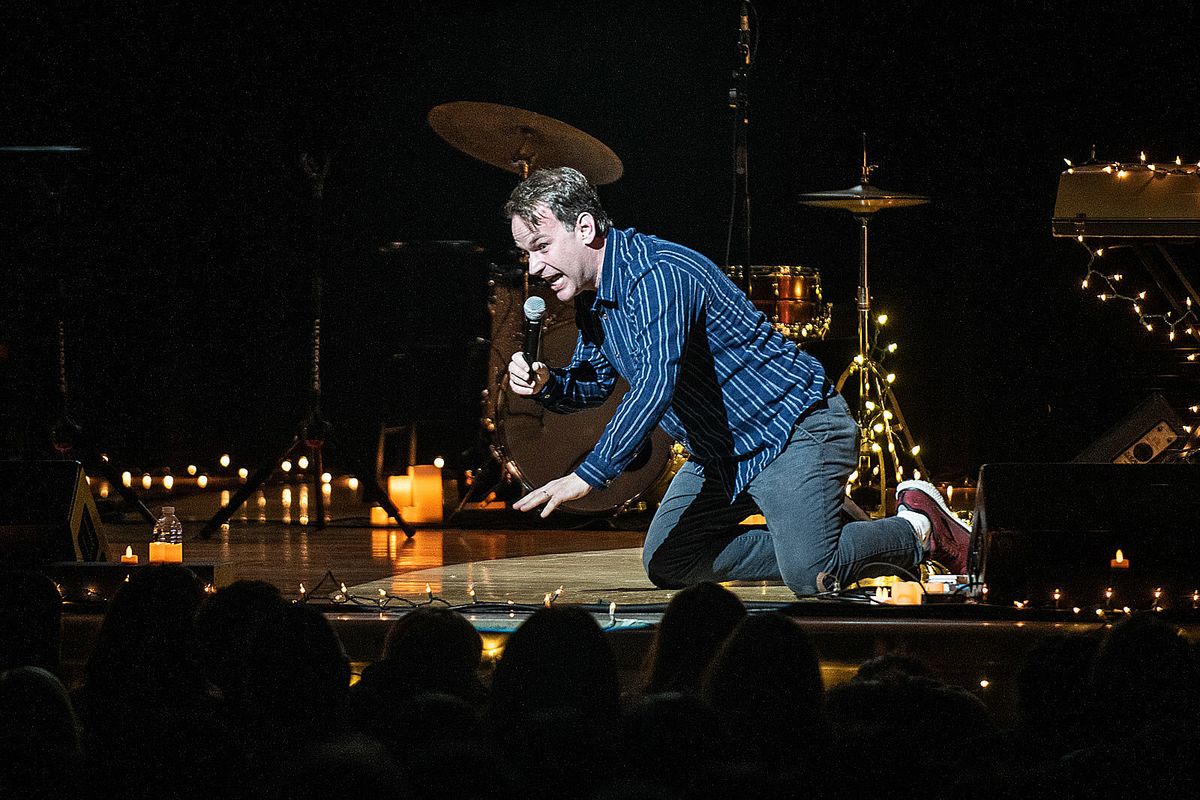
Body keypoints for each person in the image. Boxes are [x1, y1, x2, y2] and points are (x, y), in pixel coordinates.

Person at [505, 167, 969, 595]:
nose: (534, 269)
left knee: (810, 576)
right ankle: (827, 538)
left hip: (794, 431)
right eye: (526, 253)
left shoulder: (659, 273)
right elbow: (595, 384)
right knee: (670, 563)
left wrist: (590, 474)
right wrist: (548, 383)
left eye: (541, 247)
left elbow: (653, 385)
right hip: (722, 452)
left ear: (585, 228)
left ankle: (917, 530)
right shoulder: (594, 300)